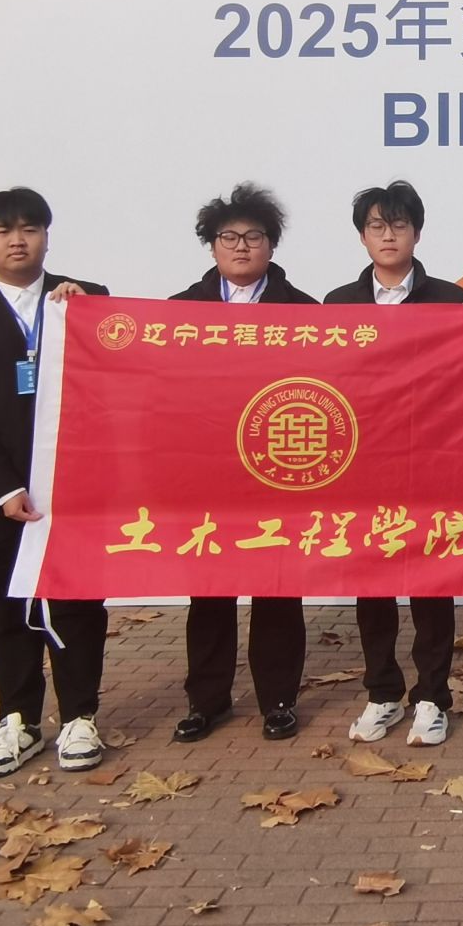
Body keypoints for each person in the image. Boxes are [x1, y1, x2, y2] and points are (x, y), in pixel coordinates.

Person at [0, 187, 109, 779]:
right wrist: (3, 487)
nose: (17, 240)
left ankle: (80, 715)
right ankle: (18, 719)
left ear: (46, 237)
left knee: (77, 605)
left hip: (74, 490)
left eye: (29, 228)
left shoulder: (83, 300)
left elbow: (120, 374)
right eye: (3, 231)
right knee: (5, 608)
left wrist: (90, 313)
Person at [168, 183, 316, 743]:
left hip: (278, 469)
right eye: (228, 237)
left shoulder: (305, 312)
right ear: (211, 246)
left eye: (254, 236)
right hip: (206, 474)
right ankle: (206, 701)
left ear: (271, 245)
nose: (241, 247)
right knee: (209, 591)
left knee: (277, 588)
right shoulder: (180, 312)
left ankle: (278, 700)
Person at [326, 181, 463, 747]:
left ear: (417, 233)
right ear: (363, 237)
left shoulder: (450, 300)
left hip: (431, 463)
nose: (389, 236)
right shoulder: (338, 304)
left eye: (399, 225)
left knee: (432, 585)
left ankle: (432, 696)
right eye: (377, 226)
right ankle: (382, 692)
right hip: (363, 467)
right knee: (373, 586)